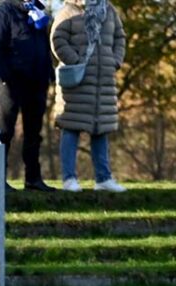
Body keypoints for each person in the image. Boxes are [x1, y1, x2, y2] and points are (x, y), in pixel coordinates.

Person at [51, 0, 127, 193]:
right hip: (77, 80)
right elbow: (57, 39)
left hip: (103, 82)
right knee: (71, 128)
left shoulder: (109, 9)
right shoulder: (67, 11)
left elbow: (120, 37)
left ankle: (103, 178)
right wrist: (76, 61)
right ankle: (69, 179)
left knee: (101, 129)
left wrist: (115, 61)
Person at [0, 0, 56, 192]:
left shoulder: (38, 11)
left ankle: (33, 179)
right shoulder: (2, 12)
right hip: (12, 82)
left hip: (37, 81)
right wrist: (4, 78)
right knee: (4, 132)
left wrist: (49, 71)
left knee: (34, 133)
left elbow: (43, 46)